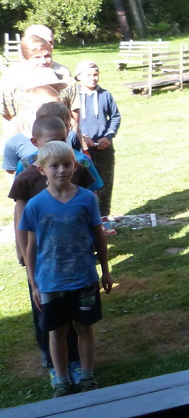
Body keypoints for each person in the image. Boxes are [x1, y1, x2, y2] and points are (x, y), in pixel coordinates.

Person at [9, 115, 97, 390]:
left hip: (77, 263)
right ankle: (54, 365)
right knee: (49, 320)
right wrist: (21, 249)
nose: (61, 167)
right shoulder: (27, 176)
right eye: (51, 142)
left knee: (79, 320)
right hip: (46, 266)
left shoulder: (77, 167)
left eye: (63, 140)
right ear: (36, 143)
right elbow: (21, 215)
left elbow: (91, 204)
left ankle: (79, 365)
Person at [21, 140, 112, 397]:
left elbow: (99, 235)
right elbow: (31, 247)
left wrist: (106, 270)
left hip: (84, 278)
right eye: (54, 166)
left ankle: (87, 375)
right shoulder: (35, 205)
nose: (61, 170)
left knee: (84, 328)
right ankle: (61, 379)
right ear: (42, 170)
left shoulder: (87, 199)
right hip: (51, 282)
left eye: (67, 165)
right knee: (56, 331)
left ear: (75, 166)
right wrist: (34, 284)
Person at [75, 61, 121, 217]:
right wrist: (82, 137)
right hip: (81, 149)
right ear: (79, 76)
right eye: (88, 75)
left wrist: (108, 136)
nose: (93, 78)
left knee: (104, 184)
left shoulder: (105, 95)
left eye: (95, 74)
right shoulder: (74, 96)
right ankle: (85, 218)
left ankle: (103, 218)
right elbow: (69, 119)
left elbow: (115, 117)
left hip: (103, 148)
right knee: (82, 183)